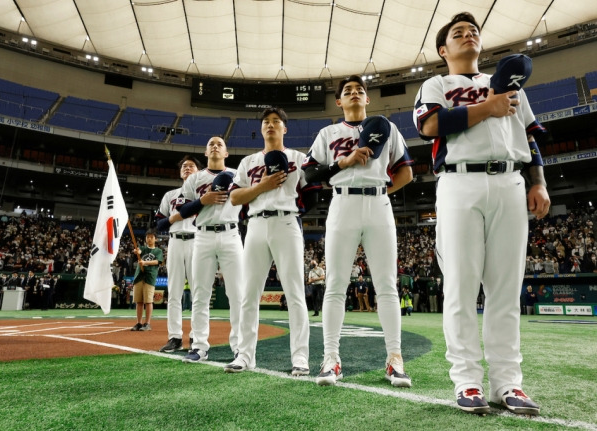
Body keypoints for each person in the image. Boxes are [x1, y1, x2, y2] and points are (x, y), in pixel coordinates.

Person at [413, 12, 550, 415]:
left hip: (510, 181)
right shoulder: (436, 83)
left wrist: (538, 181)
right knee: (460, 287)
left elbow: (530, 136)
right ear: (443, 50)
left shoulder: (509, 85)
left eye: (473, 31)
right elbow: (429, 125)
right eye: (458, 33)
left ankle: (508, 383)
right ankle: (468, 382)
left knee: (505, 290)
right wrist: (487, 108)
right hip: (460, 182)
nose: (468, 35)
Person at [302, 75, 414, 387]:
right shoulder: (328, 133)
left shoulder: (387, 128)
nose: (354, 93)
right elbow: (310, 174)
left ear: (367, 100)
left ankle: (395, 359)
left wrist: (379, 193)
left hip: (378, 203)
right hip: (342, 204)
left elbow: (406, 172)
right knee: (336, 284)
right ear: (339, 101)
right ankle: (331, 359)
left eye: (360, 90)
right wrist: (345, 162)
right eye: (347, 91)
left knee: (387, 285)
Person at [225, 107, 319, 376]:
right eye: (266, 122)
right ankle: (245, 355)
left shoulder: (298, 158)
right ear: (261, 128)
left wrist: (295, 212)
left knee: (295, 293)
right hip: (255, 224)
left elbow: (313, 193)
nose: (270, 125)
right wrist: (261, 187)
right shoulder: (248, 162)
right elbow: (234, 198)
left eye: (276, 121)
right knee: (249, 294)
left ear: (284, 129)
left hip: (287, 222)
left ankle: (300, 358)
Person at [176, 136, 244, 363]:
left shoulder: (238, 173)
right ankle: (199, 346)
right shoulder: (195, 178)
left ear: (226, 153)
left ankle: (240, 347)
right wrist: (203, 201)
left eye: (220, 144)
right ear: (206, 153)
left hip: (231, 233)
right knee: (200, 294)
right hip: (202, 235)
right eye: (211, 144)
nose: (215, 146)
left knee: (236, 294)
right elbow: (182, 210)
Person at [155, 155, 201, 351]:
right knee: (174, 293)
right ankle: (175, 337)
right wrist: (177, 216)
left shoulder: (203, 193)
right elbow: (159, 224)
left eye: (191, 166)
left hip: (197, 241)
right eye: (184, 166)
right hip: (174, 242)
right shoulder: (170, 195)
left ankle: (196, 337)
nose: (187, 168)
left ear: (199, 171)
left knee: (199, 292)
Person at [130, 229, 164, 332]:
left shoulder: (158, 251)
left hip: (150, 277)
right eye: (147, 237)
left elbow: (157, 261)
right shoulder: (143, 248)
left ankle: (147, 323)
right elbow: (139, 251)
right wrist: (137, 252)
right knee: (139, 301)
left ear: (155, 239)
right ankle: (139, 323)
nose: (149, 239)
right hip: (139, 277)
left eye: (151, 237)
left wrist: (145, 262)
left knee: (148, 301)